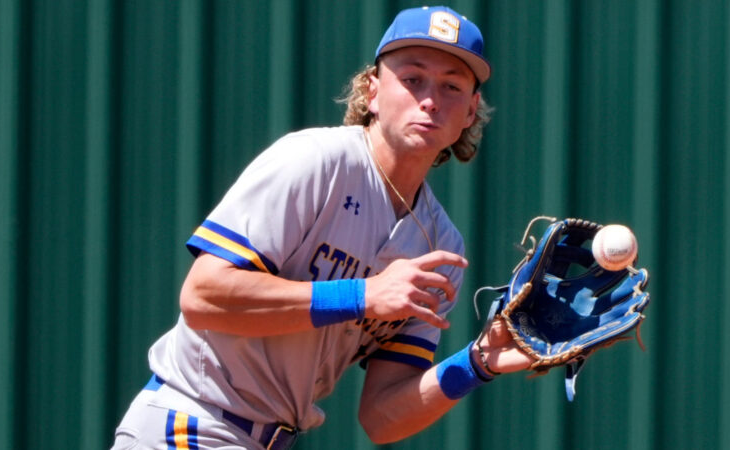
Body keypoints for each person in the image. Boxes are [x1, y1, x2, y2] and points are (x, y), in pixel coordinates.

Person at [111, 6, 532, 449]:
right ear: (372, 91)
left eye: (451, 86)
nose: (430, 100)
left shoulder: (440, 245)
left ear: (470, 111)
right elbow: (202, 297)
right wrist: (362, 295)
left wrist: (477, 363)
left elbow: (382, 419)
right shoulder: (315, 162)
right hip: (191, 420)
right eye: (412, 79)